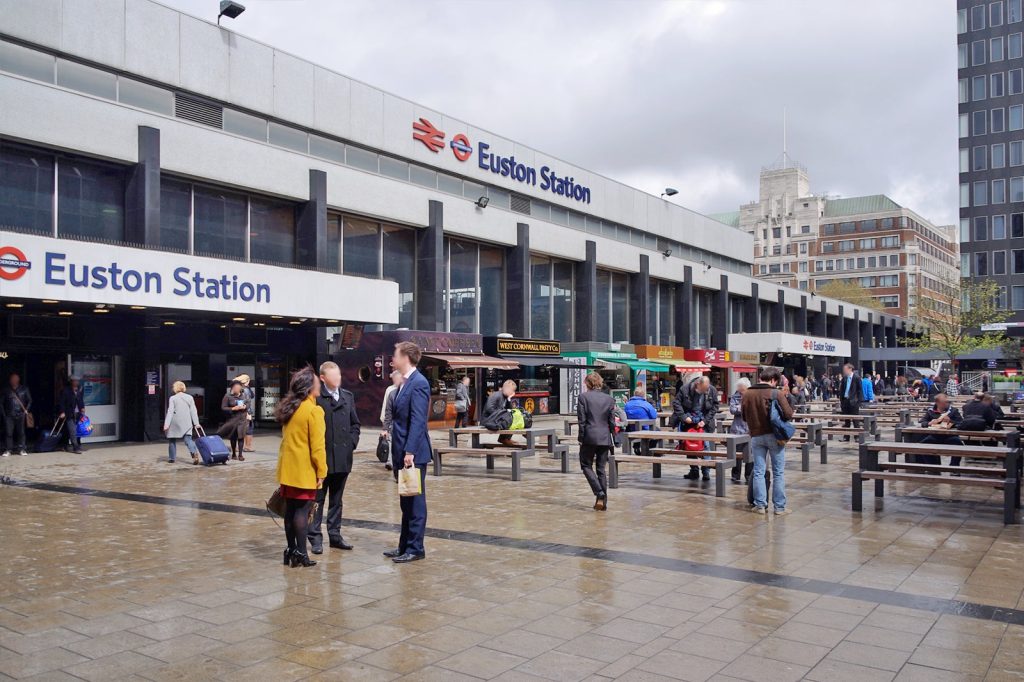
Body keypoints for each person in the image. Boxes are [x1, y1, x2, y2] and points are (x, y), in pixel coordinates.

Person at [275, 367, 327, 568]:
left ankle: (290, 549)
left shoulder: (291, 408)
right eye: (316, 382)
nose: (319, 384)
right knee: (302, 513)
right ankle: (302, 553)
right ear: (308, 388)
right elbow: (317, 447)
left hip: (287, 470)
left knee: (290, 512)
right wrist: (322, 471)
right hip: (305, 470)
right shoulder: (314, 411)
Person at [385, 341, 432, 564]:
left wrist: (410, 450)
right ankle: (404, 545)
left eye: (395, 355)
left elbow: (418, 420)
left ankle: (416, 548)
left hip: (413, 454)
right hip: (401, 451)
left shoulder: (419, 382)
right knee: (406, 502)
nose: (392, 359)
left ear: (406, 357)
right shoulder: (404, 383)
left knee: (415, 503)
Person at [309, 361, 360, 554]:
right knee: (317, 500)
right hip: (322, 459)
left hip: (343, 458)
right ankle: (315, 538)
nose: (338, 378)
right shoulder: (315, 398)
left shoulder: (347, 396)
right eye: (333, 375)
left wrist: (351, 444)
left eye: (339, 374)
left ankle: (335, 536)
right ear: (323, 378)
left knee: (337, 501)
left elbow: (355, 424)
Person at [741, 366, 794, 515]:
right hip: (774, 436)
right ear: (773, 380)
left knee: (758, 471)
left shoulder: (747, 393)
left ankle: (760, 505)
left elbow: (744, 417)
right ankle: (779, 507)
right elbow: (789, 414)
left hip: (756, 436)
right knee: (778, 473)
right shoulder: (775, 393)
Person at [577, 372, 616, 511]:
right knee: (601, 470)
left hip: (589, 436)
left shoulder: (583, 397)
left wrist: (581, 438)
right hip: (604, 437)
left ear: (587, 383)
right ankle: (602, 501)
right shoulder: (609, 399)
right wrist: (614, 438)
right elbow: (612, 422)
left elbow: (581, 421)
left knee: (585, 465)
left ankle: (599, 492)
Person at [673, 375, 718, 480]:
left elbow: (715, 406)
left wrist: (705, 421)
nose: (705, 391)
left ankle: (706, 472)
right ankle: (694, 470)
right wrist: (684, 417)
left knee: (705, 446)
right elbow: (676, 403)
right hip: (688, 421)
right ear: (697, 384)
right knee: (689, 445)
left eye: (706, 389)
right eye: (703, 389)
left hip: (704, 422)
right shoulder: (685, 389)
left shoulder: (711, 390)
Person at [952, 392, 1003, 469]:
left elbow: (965, 416)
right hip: (982, 429)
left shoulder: (966, 406)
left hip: (968, 429)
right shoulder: (986, 406)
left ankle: (974, 454)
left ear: (974, 397)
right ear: (983, 398)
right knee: (991, 433)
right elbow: (991, 420)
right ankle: (989, 453)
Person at [915, 393, 963, 466]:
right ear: (937, 403)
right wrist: (929, 423)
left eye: (947, 402)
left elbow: (961, 423)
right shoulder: (930, 411)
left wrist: (950, 421)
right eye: (944, 402)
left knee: (959, 444)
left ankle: (954, 467)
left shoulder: (953, 411)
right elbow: (922, 422)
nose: (946, 404)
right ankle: (933, 466)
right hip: (935, 436)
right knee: (923, 445)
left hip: (950, 436)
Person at [162, 381, 200, 465]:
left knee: (172, 440)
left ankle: (172, 458)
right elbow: (193, 411)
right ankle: (194, 453)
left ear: (175, 388)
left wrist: (166, 424)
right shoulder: (190, 397)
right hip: (187, 421)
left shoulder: (173, 398)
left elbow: (170, 411)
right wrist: (196, 423)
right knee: (188, 440)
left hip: (175, 422)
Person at [218, 380, 249, 461]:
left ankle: (241, 455)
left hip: (242, 419)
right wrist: (233, 408)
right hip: (232, 419)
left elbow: (248, 404)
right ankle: (234, 454)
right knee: (233, 437)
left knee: (241, 437)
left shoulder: (244, 395)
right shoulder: (227, 396)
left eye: (238, 387)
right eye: (235, 387)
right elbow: (223, 407)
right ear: (232, 388)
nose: (237, 389)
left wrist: (245, 406)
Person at [2, 373, 32, 457]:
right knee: (8, 432)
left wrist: (26, 409)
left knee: (21, 432)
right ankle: (8, 449)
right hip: (9, 414)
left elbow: (29, 400)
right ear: (10, 380)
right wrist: (4, 414)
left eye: (15, 379)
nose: (13, 380)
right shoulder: (6, 390)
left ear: (18, 380)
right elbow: (1, 402)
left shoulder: (24, 389)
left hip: (20, 414)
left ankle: (22, 448)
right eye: (12, 379)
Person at [379, 370, 403, 471]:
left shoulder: (405, 389)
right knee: (389, 441)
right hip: (391, 421)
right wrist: (384, 422)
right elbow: (386, 406)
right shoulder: (390, 390)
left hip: (399, 422)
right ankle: (390, 461)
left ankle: (394, 461)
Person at [624, 387, 658, 455]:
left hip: (632, 429)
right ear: (643, 395)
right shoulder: (646, 404)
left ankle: (636, 446)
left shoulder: (627, 404)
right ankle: (650, 449)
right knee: (658, 432)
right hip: (646, 428)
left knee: (637, 428)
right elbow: (654, 416)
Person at [729, 378, 751, 483]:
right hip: (737, 429)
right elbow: (732, 410)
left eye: (742, 390)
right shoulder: (735, 396)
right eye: (739, 389)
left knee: (749, 454)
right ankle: (735, 475)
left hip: (749, 429)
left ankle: (749, 475)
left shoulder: (752, 396)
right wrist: (743, 407)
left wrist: (740, 407)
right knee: (736, 454)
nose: (740, 392)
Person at [482, 379, 517, 445]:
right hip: (488, 420)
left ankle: (505, 438)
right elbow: (489, 408)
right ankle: (504, 439)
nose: (513, 393)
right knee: (508, 419)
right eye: (512, 390)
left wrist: (509, 399)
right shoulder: (496, 395)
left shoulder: (505, 397)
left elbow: (510, 410)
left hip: (495, 419)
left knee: (512, 417)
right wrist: (500, 415)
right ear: (507, 388)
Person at [58, 376, 86, 454]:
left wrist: (82, 407)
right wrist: (62, 412)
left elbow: (81, 400)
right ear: (71, 382)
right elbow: (62, 403)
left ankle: (68, 445)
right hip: (69, 413)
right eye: (75, 381)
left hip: (78, 413)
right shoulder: (66, 391)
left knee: (76, 430)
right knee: (72, 430)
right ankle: (75, 447)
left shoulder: (80, 389)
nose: (76, 382)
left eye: (77, 381)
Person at [838, 364, 863, 439]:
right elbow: (842, 390)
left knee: (855, 421)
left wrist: (858, 402)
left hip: (853, 402)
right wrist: (841, 401)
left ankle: (857, 437)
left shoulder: (856, 378)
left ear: (850, 369)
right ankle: (846, 436)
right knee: (846, 421)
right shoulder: (844, 378)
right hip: (845, 401)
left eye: (845, 369)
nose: (844, 371)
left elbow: (860, 390)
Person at [237, 374, 256, 453]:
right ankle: (247, 447)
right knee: (249, 429)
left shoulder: (236, 388)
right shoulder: (246, 390)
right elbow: (251, 396)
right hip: (245, 411)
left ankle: (237, 447)